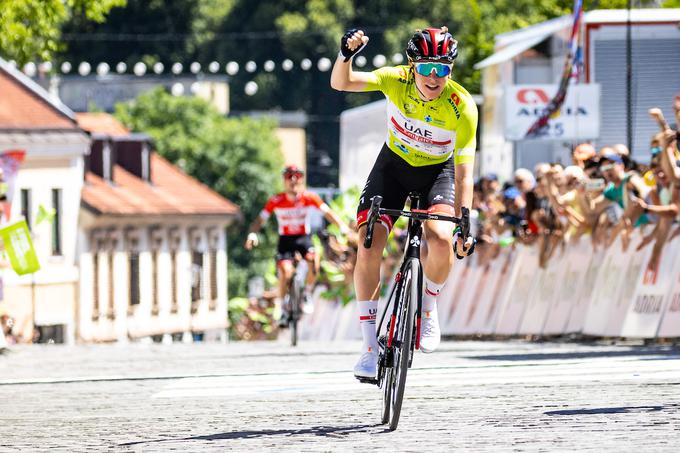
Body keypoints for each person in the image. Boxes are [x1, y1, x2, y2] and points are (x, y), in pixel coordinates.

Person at [330, 27, 477, 379]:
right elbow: (342, 83)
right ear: (412, 67)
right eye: (427, 68)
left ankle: (428, 307)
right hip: (393, 167)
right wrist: (346, 56)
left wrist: (465, 222)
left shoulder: (462, 106)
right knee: (368, 245)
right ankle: (368, 348)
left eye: (442, 69)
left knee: (441, 239)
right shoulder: (395, 80)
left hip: (436, 174)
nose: (434, 77)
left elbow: (464, 174)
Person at [245, 165, 351, 326]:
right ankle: (280, 307)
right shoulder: (277, 200)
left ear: (302, 180)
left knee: (313, 262)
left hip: (303, 238)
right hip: (285, 240)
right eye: (289, 176)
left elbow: (328, 213)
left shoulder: (309, 197)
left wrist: (343, 227)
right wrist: (253, 234)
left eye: (297, 176)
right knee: (286, 273)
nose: (293, 180)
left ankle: (307, 292)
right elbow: (260, 220)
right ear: (284, 181)